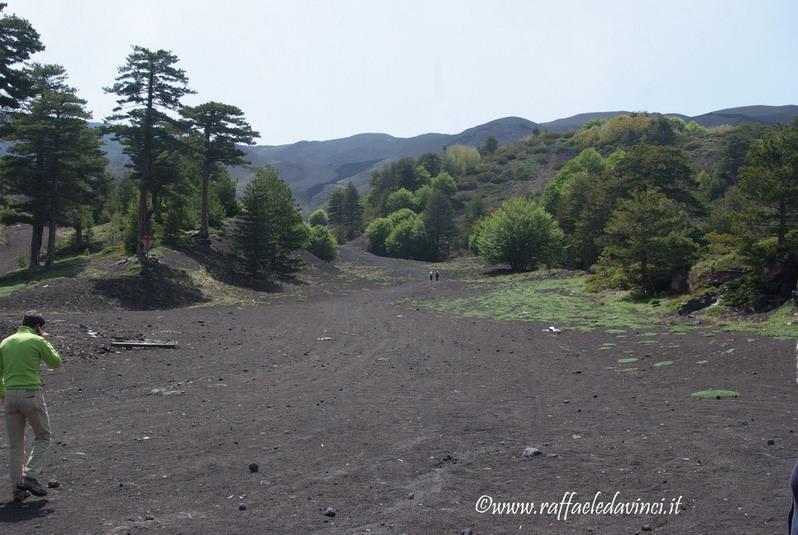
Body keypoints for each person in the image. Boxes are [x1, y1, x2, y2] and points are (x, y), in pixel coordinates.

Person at [0, 313, 61, 502]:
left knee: (16, 446)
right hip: (31, 394)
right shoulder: (36, 340)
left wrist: (2, 394)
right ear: (38, 327)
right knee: (43, 436)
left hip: (10, 395)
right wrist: (46, 341)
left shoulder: (5, 342)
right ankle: (30, 475)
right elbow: (55, 362)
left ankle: (17, 491)